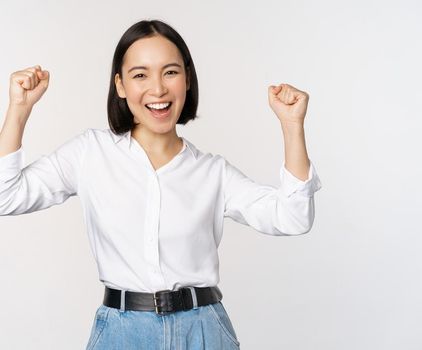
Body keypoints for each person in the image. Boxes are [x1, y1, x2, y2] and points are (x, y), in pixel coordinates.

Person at [0, 19, 322, 349]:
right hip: (122, 334)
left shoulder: (213, 172)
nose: (158, 89)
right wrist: (19, 109)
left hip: (203, 332)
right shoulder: (89, 154)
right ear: (121, 85)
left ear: (187, 80)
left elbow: (293, 218)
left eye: (170, 72)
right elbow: (4, 197)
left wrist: (292, 125)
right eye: (140, 75)